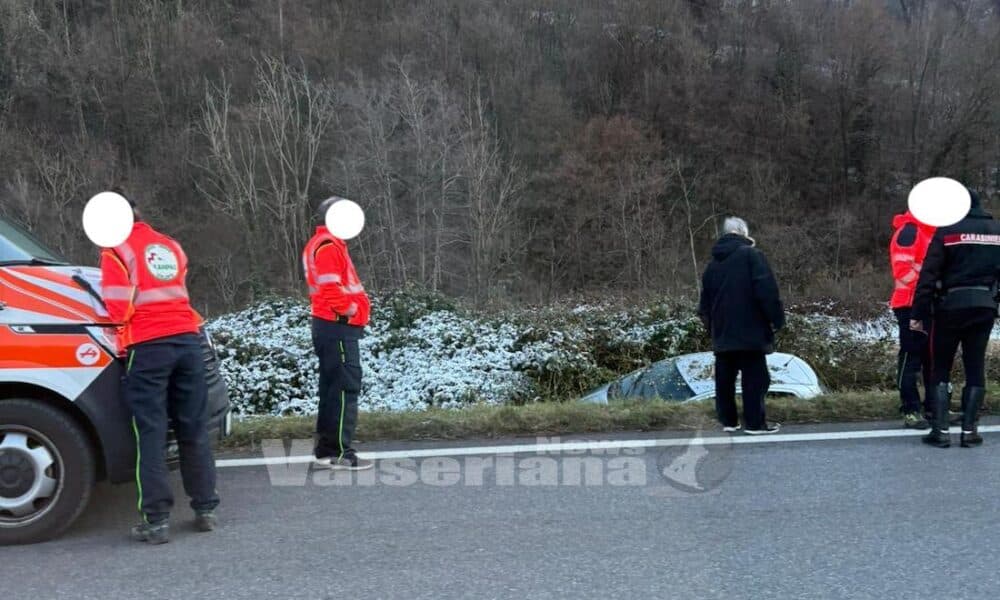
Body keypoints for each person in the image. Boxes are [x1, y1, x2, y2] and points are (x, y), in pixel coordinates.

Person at [100, 193, 219, 544]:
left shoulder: (116, 249)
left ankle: (156, 521)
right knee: (193, 427)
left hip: (148, 346)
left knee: (150, 432)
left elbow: (118, 309)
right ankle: (205, 509)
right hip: (188, 341)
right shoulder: (170, 245)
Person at [911, 189, 1000, 448]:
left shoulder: (947, 231)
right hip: (984, 305)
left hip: (949, 306)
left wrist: (918, 313)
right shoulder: (996, 231)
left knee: (941, 367)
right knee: (975, 366)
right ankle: (969, 432)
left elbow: (928, 275)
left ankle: (940, 432)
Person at [303, 198, 374, 470]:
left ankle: (326, 449)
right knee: (345, 389)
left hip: (329, 327)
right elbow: (332, 290)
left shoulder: (320, 243)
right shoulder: (329, 246)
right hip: (338, 327)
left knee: (332, 390)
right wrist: (351, 312)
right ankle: (342, 453)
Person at [698, 217, 785, 435]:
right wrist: (777, 319)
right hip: (750, 331)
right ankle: (755, 423)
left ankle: (728, 421)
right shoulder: (752, 256)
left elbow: (704, 306)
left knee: (724, 380)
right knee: (756, 378)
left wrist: (712, 329)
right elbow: (767, 291)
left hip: (722, 333)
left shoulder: (712, 266)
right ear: (743, 233)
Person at [889, 210, 936, 429]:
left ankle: (934, 407)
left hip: (928, 303)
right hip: (910, 304)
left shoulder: (930, 232)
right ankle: (910, 409)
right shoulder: (910, 231)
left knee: (932, 358)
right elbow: (902, 270)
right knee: (911, 357)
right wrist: (930, 286)